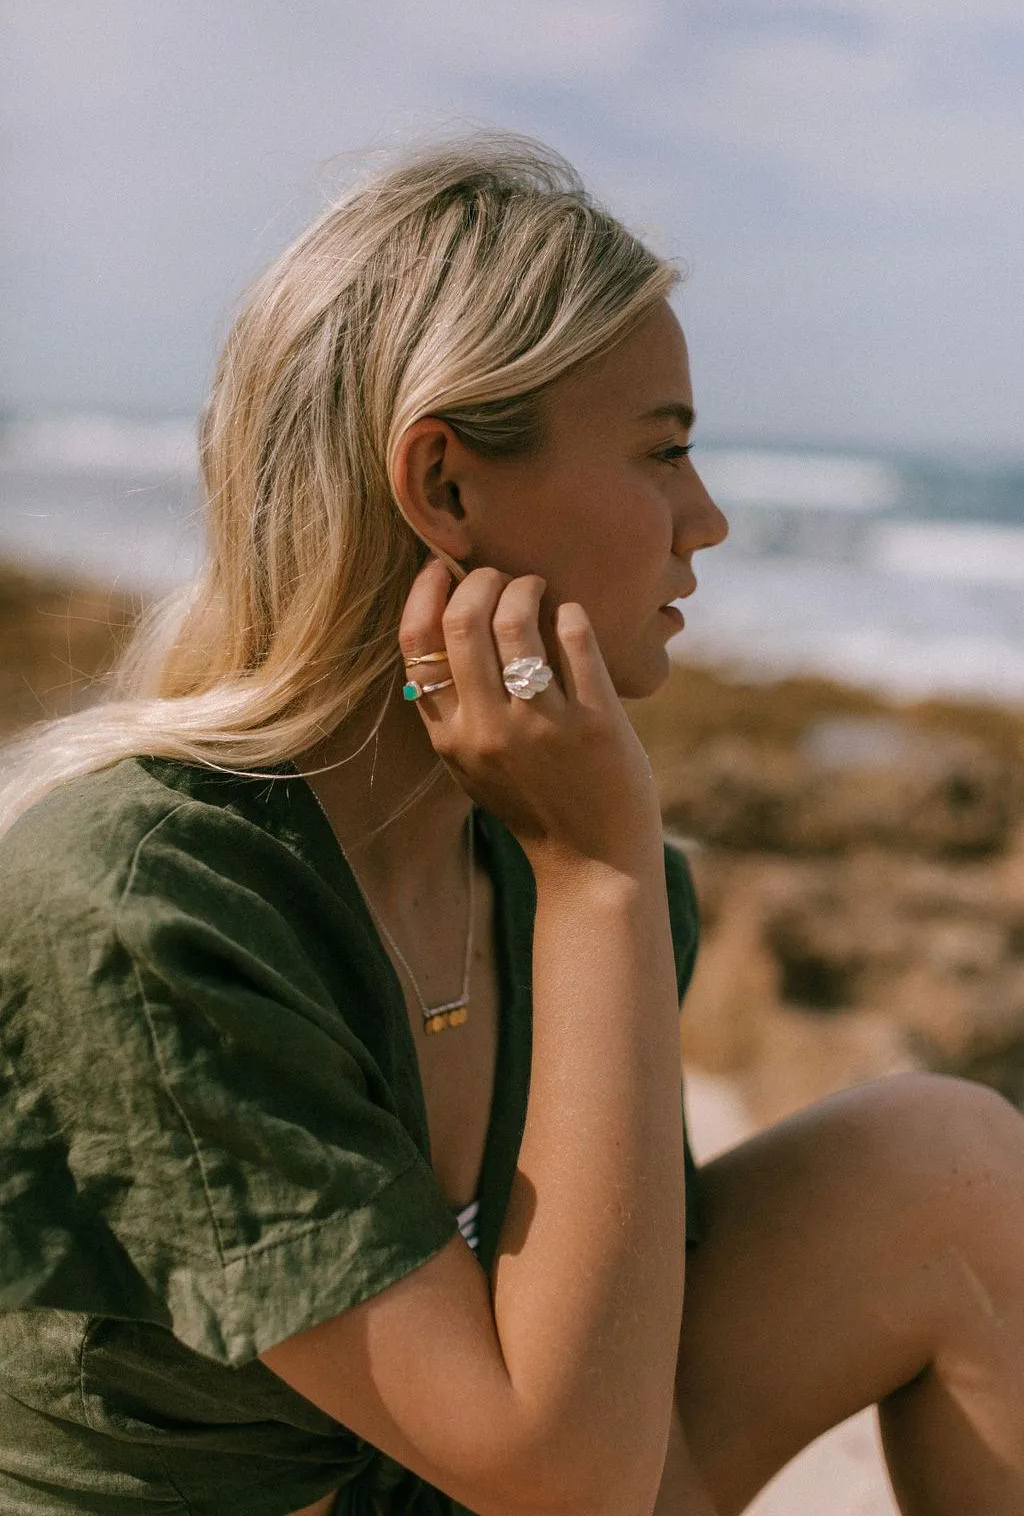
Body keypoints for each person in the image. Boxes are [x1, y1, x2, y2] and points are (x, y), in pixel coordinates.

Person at [1, 134, 1023, 1516]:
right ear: (444, 487)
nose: (706, 520)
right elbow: (570, 1487)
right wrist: (597, 878)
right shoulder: (142, 903)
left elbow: (614, 1367)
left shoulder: (558, 866)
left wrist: (600, 879)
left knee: (946, 1162)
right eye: (663, 453)